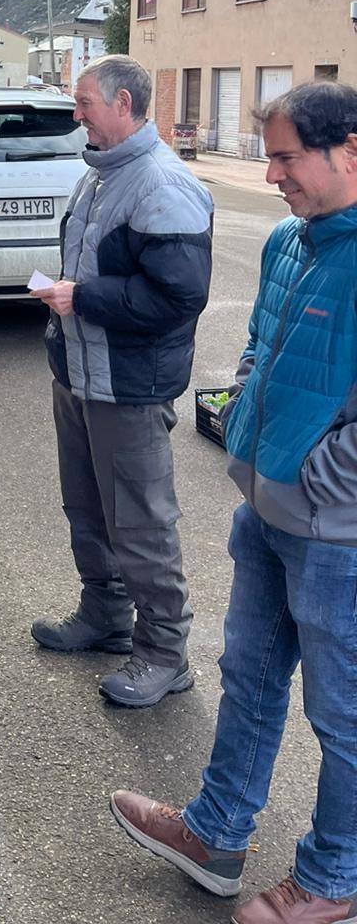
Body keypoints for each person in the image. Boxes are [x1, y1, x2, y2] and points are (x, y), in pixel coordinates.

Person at [112, 82, 357, 924]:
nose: (273, 172)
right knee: (248, 677)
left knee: (345, 715)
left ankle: (333, 881)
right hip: (267, 515)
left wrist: (320, 477)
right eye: (271, 153)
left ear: (350, 150)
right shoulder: (291, 241)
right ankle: (216, 833)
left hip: (340, 538)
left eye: (288, 157)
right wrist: (256, 429)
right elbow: (256, 342)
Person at [32, 54, 213, 706]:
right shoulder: (102, 175)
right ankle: (105, 615)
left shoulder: (162, 186)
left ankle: (166, 654)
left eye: (85, 103)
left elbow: (176, 300)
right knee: (86, 508)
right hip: (80, 377)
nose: (76, 113)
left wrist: (81, 298)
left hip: (127, 387)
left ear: (125, 106)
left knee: (141, 525)